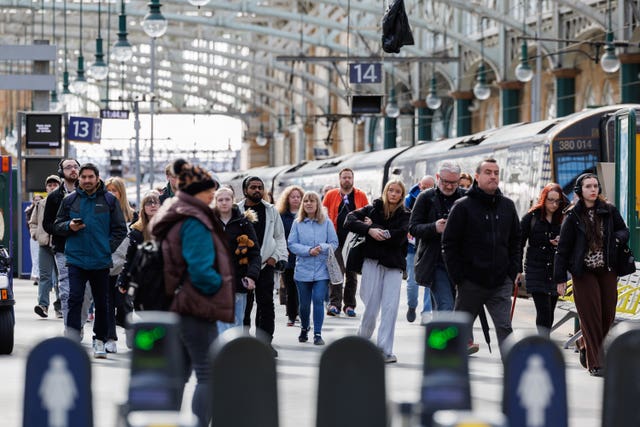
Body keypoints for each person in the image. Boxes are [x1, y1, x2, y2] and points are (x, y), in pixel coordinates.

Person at [150, 159, 224, 427]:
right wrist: (220, 284)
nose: (213, 194)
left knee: (179, 370)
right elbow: (201, 270)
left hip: (173, 302)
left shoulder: (174, 214)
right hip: (195, 304)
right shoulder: (195, 221)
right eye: (209, 190)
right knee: (207, 373)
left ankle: (166, 421)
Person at [442, 158, 521, 357]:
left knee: (505, 329)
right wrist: (459, 277)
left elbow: (516, 241)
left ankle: (512, 375)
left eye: (496, 172)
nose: (493, 176)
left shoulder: (508, 206)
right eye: (488, 172)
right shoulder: (462, 206)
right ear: (477, 177)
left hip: (500, 282)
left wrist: (512, 271)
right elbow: (449, 243)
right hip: (471, 282)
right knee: (458, 330)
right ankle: (448, 372)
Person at [555, 173, 629, 377]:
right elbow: (563, 249)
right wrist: (560, 278)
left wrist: (615, 240)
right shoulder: (572, 216)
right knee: (591, 316)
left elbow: (624, 231)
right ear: (580, 190)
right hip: (583, 272)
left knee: (607, 315)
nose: (593, 189)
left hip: (607, 269)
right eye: (588, 186)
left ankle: (584, 342)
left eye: (595, 186)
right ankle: (596, 363)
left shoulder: (609, 210)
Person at [54, 163, 127, 358]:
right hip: (76, 260)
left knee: (102, 303)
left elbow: (120, 229)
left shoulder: (110, 201)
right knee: (74, 299)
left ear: (97, 178)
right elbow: (56, 226)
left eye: (90, 177)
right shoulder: (70, 201)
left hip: (100, 261)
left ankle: (100, 340)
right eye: (84, 177)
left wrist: (106, 247)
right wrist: (69, 226)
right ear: (79, 179)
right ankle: (71, 339)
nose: (87, 180)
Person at [345, 179, 410, 363]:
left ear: (401, 195)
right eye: (391, 190)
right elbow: (349, 220)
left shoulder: (405, 214)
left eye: (398, 191)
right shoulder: (373, 208)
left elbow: (398, 236)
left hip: (394, 266)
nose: (394, 194)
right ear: (385, 191)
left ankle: (385, 350)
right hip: (371, 262)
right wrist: (368, 228)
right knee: (371, 306)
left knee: (390, 308)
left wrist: (374, 228)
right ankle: (361, 342)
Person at [237, 176, 288, 356]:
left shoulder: (271, 210)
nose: (257, 190)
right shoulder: (238, 210)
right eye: (253, 187)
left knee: (266, 306)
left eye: (260, 187)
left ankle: (264, 343)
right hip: (244, 267)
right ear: (245, 190)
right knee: (244, 306)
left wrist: (276, 257)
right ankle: (243, 342)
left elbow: (279, 237)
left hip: (266, 264)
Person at [410, 163, 466, 320]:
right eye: (445, 181)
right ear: (437, 178)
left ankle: (439, 343)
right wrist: (434, 227)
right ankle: (449, 344)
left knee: (455, 308)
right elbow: (413, 228)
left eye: (453, 183)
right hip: (435, 262)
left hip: (460, 264)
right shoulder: (425, 197)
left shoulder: (466, 198)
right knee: (445, 306)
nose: (449, 186)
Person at [43, 159, 93, 336]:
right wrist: (67, 227)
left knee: (86, 291)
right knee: (67, 291)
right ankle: (70, 329)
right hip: (63, 249)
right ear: (61, 172)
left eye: (75, 167)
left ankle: (78, 323)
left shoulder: (88, 194)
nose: (73, 170)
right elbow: (47, 225)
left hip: (87, 249)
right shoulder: (54, 197)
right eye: (69, 167)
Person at [517, 183, 568, 337]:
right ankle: (544, 342)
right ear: (543, 199)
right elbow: (518, 243)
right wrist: (517, 269)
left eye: (557, 201)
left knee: (551, 310)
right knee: (543, 310)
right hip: (536, 268)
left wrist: (562, 241)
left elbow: (572, 241)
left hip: (555, 269)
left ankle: (544, 340)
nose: (554, 204)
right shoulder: (531, 217)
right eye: (550, 200)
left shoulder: (564, 218)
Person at [288, 191, 339, 346]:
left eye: (312, 201)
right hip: (303, 270)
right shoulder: (297, 223)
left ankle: (317, 333)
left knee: (318, 300)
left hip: (321, 270)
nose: (309, 203)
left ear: (318, 204)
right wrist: (308, 251)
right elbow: (291, 244)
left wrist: (322, 247)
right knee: (304, 304)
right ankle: (304, 328)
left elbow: (334, 243)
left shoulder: (327, 223)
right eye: (306, 201)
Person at [213, 186, 261, 332]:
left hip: (238, 279)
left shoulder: (243, 223)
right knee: (220, 322)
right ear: (215, 202)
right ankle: (222, 353)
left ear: (233, 201)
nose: (224, 202)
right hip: (216, 280)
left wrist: (252, 276)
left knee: (237, 322)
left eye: (227, 199)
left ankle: (233, 352)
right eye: (220, 200)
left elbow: (254, 253)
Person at [322, 168, 369, 317]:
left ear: (353, 179)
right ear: (339, 179)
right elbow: (323, 214)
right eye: (344, 178)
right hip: (335, 240)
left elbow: (368, 213)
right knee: (336, 273)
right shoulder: (330, 195)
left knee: (352, 275)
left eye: (349, 177)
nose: (347, 180)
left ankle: (349, 305)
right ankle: (334, 304)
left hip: (354, 241)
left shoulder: (360, 195)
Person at [104, 176, 137, 354]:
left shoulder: (133, 216)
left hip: (125, 267)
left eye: (114, 190)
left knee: (124, 303)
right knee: (107, 303)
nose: (111, 194)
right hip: (107, 265)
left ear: (121, 193)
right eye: (108, 190)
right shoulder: (102, 213)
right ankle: (110, 338)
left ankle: (129, 327)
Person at [404, 174, 437, 323]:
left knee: (430, 282)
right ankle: (412, 305)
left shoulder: (437, 199)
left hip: (429, 247)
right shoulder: (409, 200)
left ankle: (426, 313)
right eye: (424, 187)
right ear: (419, 185)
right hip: (412, 247)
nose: (426, 190)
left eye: (430, 188)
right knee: (412, 282)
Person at [29, 175, 61, 318]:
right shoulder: (40, 204)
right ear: (46, 188)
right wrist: (35, 234)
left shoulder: (66, 201)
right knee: (44, 277)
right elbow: (33, 222)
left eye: (55, 184)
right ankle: (43, 306)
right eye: (49, 185)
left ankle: (60, 307)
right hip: (44, 245)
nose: (52, 187)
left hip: (60, 245)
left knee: (61, 277)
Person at [276, 185, 304, 326]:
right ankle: (292, 315)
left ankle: (300, 312)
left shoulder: (305, 215)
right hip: (287, 256)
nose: (295, 199)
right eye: (292, 196)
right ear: (287, 199)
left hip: (303, 256)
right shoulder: (281, 216)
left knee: (301, 287)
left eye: (298, 196)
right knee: (290, 287)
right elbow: (279, 235)